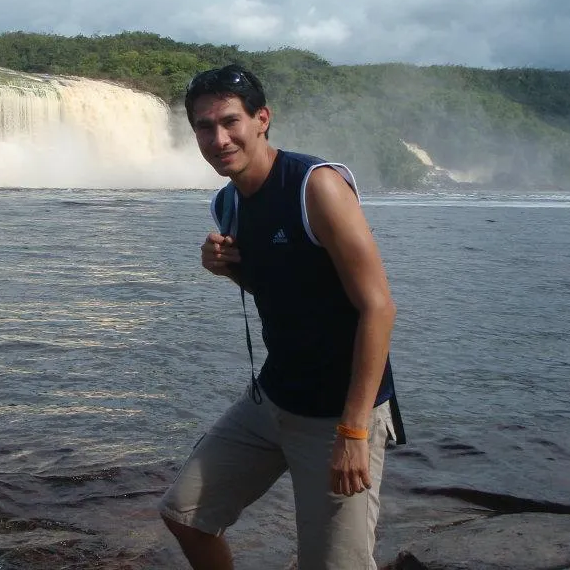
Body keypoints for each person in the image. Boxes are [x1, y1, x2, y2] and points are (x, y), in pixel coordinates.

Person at [159, 65, 405, 570]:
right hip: (273, 398)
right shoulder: (227, 204)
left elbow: (378, 306)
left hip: (339, 414)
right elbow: (286, 290)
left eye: (231, 121)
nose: (219, 138)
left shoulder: (317, 187)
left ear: (262, 119)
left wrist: (354, 433)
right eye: (205, 127)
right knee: (186, 514)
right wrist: (227, 270)